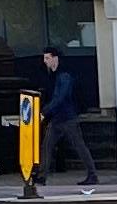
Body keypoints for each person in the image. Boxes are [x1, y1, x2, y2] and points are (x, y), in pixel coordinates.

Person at [26, 44, 100, 195]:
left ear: (55, 58)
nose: (45, 61)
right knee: (48, 146)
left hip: (67, 118)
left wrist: (45, 111)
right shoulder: (55, 75)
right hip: (58, 118)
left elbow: (60, 97)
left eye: (47, 58)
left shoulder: (63, 75)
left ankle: (92, 174)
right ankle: (42, 176)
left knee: (77, 146)